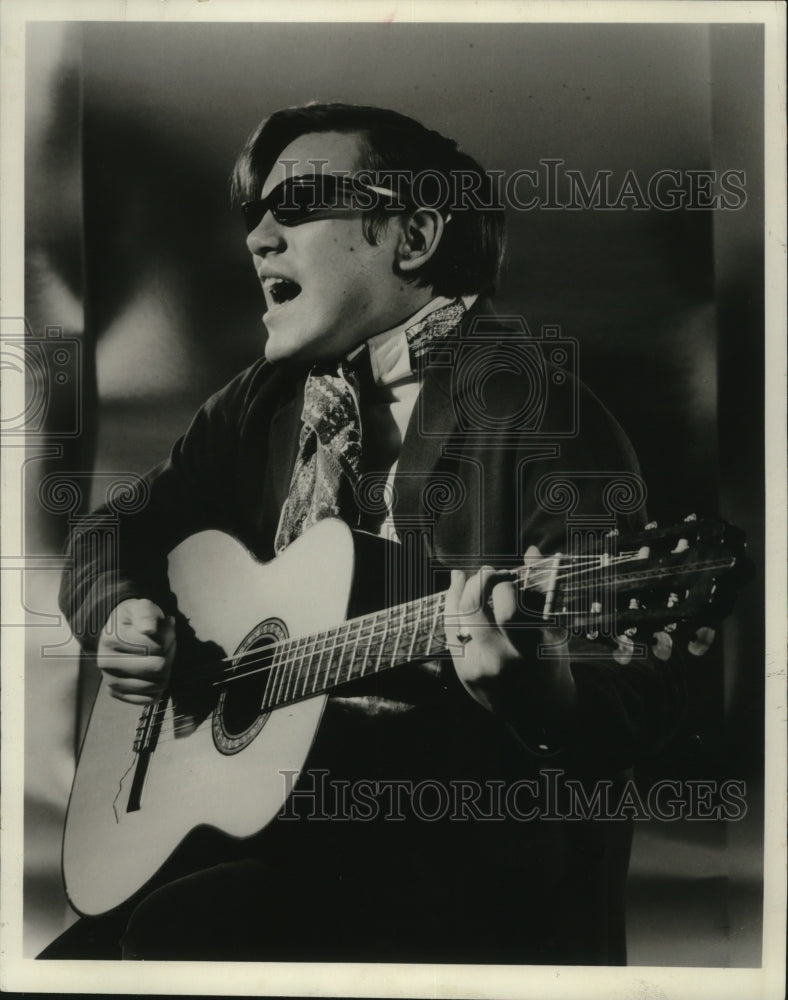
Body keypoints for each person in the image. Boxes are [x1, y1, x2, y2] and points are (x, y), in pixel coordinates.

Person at [43, 103, 684, 964]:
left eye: (299, 202)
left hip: (460, 874)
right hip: (263, 834)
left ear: (413, 233)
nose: (258, 239)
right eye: (253, 217)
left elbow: (627, 719)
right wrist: (119, 610)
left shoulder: (544, 411)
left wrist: (541, 695)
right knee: (66, 965)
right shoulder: (259, 406)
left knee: (181, 937)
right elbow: (112, 532)